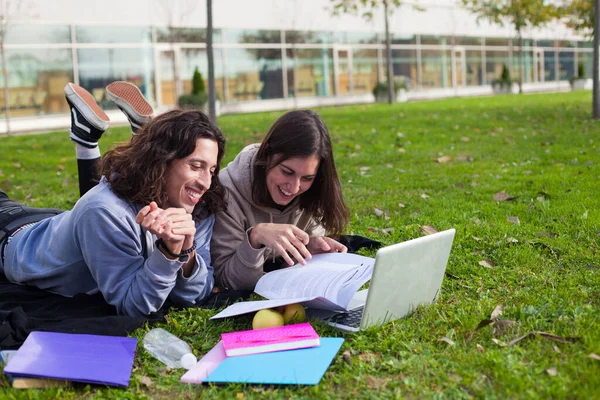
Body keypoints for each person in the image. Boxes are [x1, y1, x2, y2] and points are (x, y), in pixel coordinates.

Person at [0, 82, 227, 317]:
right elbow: (134, 306)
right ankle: (90, 139)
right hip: (14, 238)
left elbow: (195, 295)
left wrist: (186, 251)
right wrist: (167, 254)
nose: (205, 182)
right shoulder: (105, 211)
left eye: (210, 170)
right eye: (196, 166)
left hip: (61, 226)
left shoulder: (197, 205)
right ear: (162, 160)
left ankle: (91, 137)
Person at [210, 109, 350, 291]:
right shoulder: (226, 192)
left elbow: (301, 268)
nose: (294, 187)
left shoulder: (315, 190)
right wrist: (255, 238)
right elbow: (228, 281)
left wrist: (310, 247)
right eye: (287, 172)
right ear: (267, 155)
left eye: (307, 178)